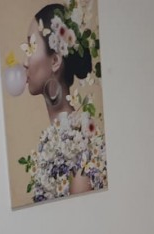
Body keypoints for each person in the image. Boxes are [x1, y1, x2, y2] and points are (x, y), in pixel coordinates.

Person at [20, 2, 106, 202]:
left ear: (55, 61)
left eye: (31, 47)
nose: (24, 61)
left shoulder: (80, 143)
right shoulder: (54, 138)